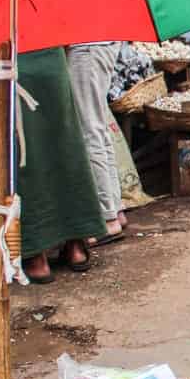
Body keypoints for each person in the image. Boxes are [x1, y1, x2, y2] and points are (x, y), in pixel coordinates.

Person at [0, 50, 104, 282]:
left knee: (22, 149)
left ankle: (36, 253)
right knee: (64, 142)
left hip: (6, 60)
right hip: (51, 58)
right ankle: (75, 244)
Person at [65, 42, 128, 246]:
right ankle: (115, 209)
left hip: (86, 47)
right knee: (98, 129)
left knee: (89, 130)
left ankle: (107, 218)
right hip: (100, 44)